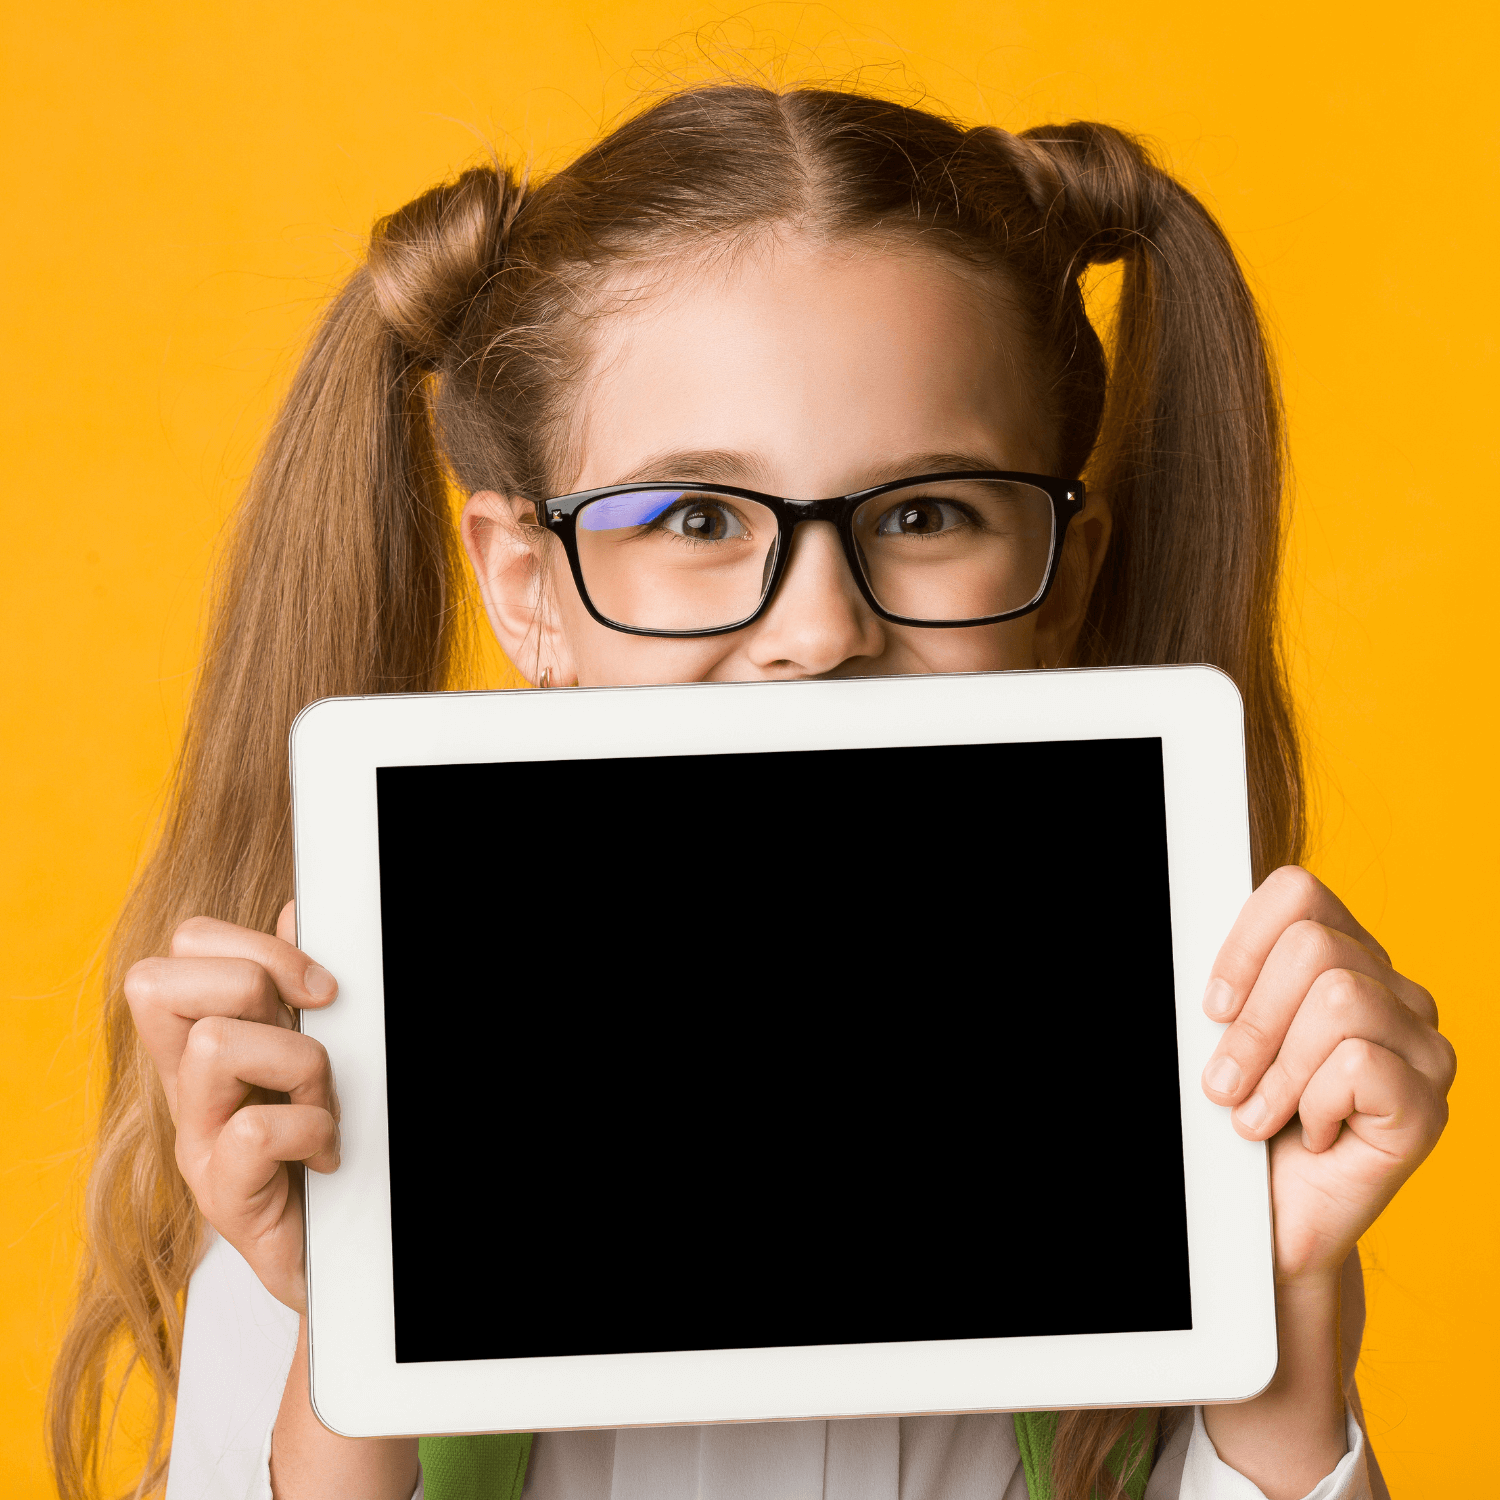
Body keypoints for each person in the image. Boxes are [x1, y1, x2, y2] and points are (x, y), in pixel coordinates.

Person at [48, 83, 1454, 1500]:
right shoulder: (341, 1103)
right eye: (697, 518)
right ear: (528, 591)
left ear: (1063, 580)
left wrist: (1283, 1346)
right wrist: (342, 1336)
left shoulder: (1198, 1088)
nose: (820, 629)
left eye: (925, 513)